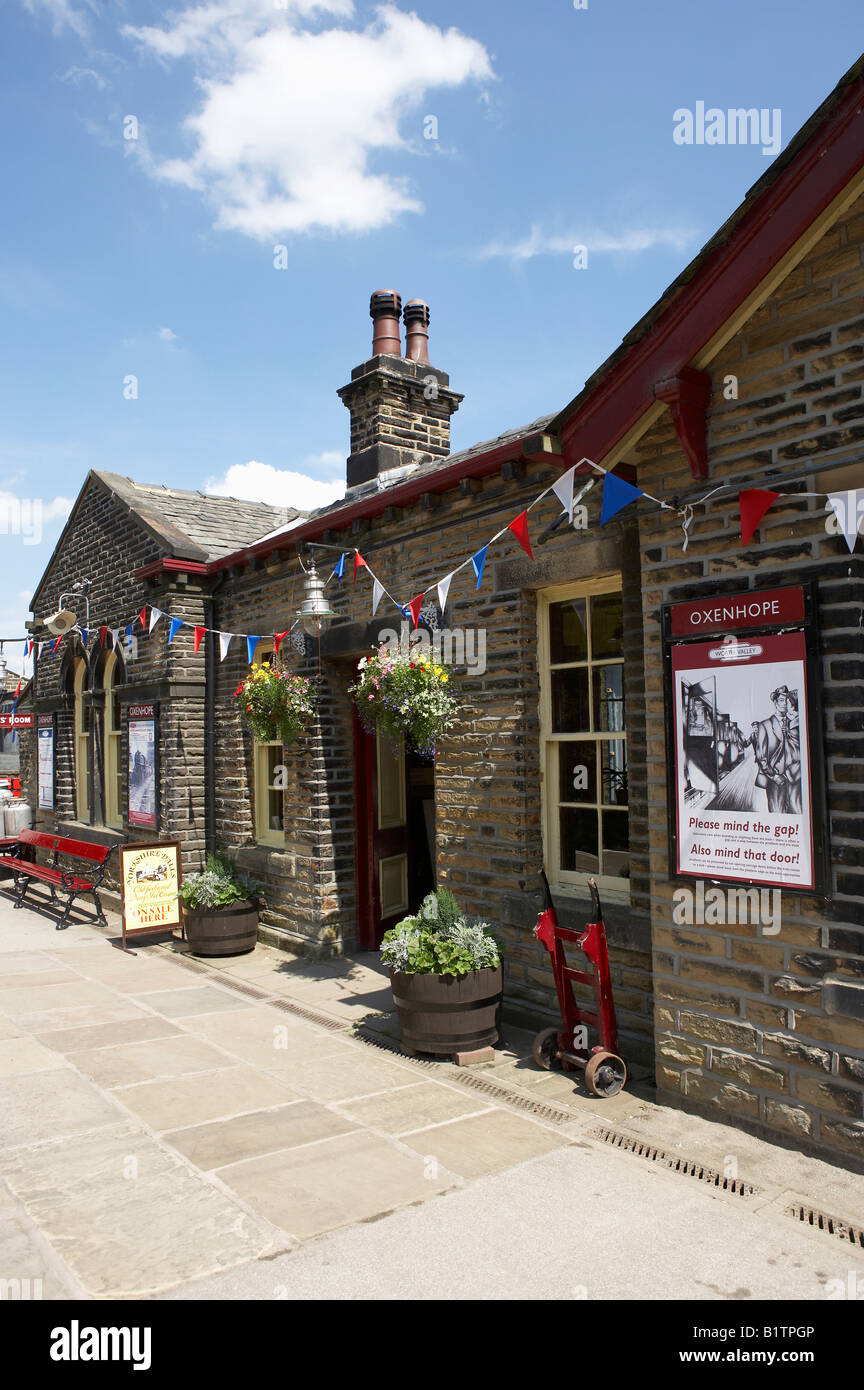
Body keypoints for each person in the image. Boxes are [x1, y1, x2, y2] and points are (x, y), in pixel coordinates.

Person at [753, 686, 801, 814]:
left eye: (786, 700)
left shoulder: (796, 723)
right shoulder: (765, 725)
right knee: (777, 814)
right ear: (775, 703)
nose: (784, 704)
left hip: (796, 779)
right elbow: (761, 757)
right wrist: (774, 776)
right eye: (781, 700)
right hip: (776, 780)